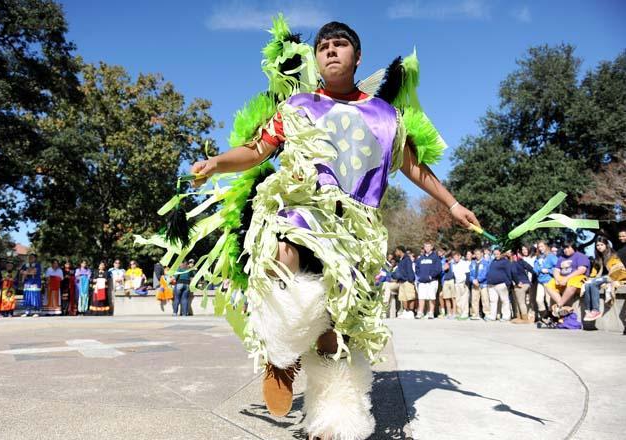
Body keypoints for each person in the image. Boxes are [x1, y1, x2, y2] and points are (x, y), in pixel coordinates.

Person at [149, 18, 483, 439]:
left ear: (357, 57)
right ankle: (281, 350)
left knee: (334, 332)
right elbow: (256, 151)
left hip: (354, 235)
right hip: (304, 210)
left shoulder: (387, 117)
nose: (329, 50)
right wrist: (216, 162)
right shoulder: (298, 107)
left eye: (340, 44)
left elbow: (415, 166)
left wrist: (453, 205)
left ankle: (333, 422)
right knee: (281, 253)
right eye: (323, 45)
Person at [584, 236, 626, 321]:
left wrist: (609, 278)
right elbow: (594, 272)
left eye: (601, 244)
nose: (599, 247)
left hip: (617, 276)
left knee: (593, 283)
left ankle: (596, 310)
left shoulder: (612, 255)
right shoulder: (599, 257)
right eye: (597, 245)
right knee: (588, 284)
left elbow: (617, 269)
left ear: (606, 245)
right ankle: (589, 310)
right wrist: (591, 278)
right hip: (606, 277)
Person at [546, 241, 590, 315]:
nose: (565, 250)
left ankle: (559, 305)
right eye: (564, 248)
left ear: (573, 247)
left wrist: (566, 278)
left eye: (568, 247)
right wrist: (557, 279)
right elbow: (556, 270)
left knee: (572, 281)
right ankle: (563, 307)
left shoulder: (581, 256)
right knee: (549, 284)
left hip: (579, 278)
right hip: (563, 278)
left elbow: (582, 270)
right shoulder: (561, 258)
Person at [415, 243, 442, 319]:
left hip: (432, 281)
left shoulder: (435, 257)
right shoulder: (420, 258)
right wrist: (420, 276)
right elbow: (417, 268)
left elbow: (438, 269)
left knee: (431, 297)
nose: (427, 248)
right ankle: (420, 312)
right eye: (425, 246)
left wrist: (431, 276)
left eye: (428, 246)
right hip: (422, 281)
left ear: (432, 247)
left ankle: (431, 312)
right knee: (421, 297)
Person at [485, 248, 513, 322]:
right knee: (493, 301)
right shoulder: (493, 261)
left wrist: (508, 283)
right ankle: (492, 316)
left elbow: (509, 272)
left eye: (497, 254)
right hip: (491, 285)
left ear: (501, 253)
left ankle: (506, 316)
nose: (496, 255)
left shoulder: (505, 262)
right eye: (494, 254)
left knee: (504, 301)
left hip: (501, 284)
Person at [533, 241, 557, 320]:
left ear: (546, 246)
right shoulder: (538, 257)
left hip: (549, 280)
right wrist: (539, 267)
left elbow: (558, 267)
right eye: (539, 247)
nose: (540, 248)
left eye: (542, 246)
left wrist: (549, 270)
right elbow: (535, 270)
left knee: (549, 300)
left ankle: (553, 318)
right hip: (540, 281)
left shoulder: (551, 256)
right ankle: (544, 317)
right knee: (538, 300)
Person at [511, 249, 535, 324]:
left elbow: (514, 273)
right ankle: (521, 317)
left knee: (520, 302)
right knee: (525, 302)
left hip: (520, 284)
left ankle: (524, 318)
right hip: (527, 283)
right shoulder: (522, 261)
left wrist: (517, 282)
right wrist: (532, 281)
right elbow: (532, 269)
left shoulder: (513, 263)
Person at [393, 246, 416, 319]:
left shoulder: (407, 259)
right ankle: (406, 311)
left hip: (407, 280)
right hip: (401, 281)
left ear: (400, 251)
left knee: (410, 297)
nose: (396, 253)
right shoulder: (400, 260)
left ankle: (411, 312)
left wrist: (410, 279)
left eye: (397, 251)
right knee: (403, 298)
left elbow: (409, 269)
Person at [469, 248, 490, 320]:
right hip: (474, 284)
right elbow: (470, 273)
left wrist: (478, 280)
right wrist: (473, 280)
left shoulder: (485, 263)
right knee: (474, 300)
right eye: (476, 254)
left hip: (483, 284)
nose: (477, 255)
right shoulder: (473, 263)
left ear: (482, 254)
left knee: (485, 300)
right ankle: (475, 314)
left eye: (478, 254)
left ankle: (487, 314)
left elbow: (485, 273)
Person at [451, 251, 471, 320]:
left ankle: (465, 314)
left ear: (459, 256)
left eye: (457, 257)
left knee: (464, 299)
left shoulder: (464, 263)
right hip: (457, 283)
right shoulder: (453, 264)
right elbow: (454, 275)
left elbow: (467, 273)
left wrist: (466, 283)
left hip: (463, 283)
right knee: (458, 300)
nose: (455, 258)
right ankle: (459, 313)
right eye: (454, 257)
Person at [439, 250, 456, 319]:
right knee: (446, 298)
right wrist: (444, 268)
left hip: (452, 280)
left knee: (453, 298)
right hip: (445, 281)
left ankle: (454, 313)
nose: (447, 258)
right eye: (446, 257)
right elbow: (441, 270)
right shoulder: (444, 262)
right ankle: (449, 313)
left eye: (448, 256)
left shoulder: (453, 262)